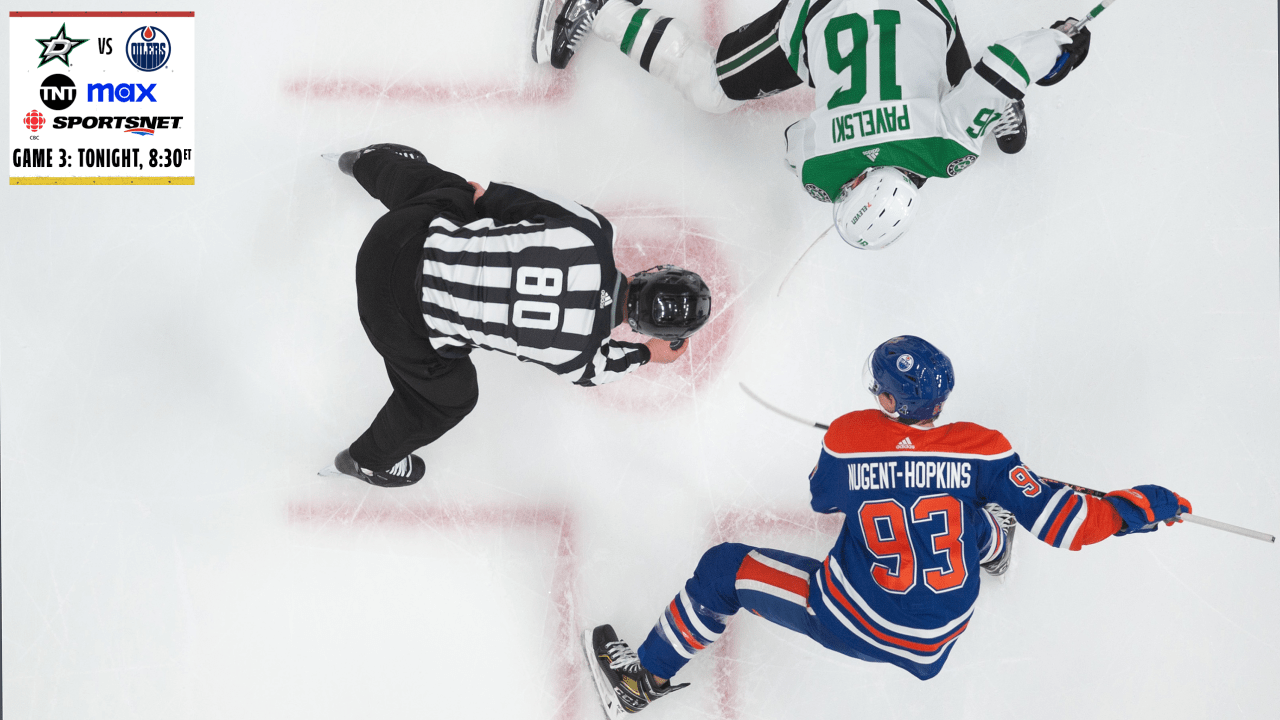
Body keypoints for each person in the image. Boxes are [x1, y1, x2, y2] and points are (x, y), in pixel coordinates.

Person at [582, 335, 1192, 716]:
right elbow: (1066, 522)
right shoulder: (983, 448)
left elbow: (824, 499)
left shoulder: (849, 437)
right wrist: (1139, 507)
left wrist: (864, 451)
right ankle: (995, 545)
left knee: (724, 568)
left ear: (889, 401)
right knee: (966, 510)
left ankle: (643, 682)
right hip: (943, 635)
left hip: (855, 617)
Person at [534, 0, 1091, 250]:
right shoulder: (819, 167)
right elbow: (794, 142)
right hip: (819, 13)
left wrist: (1065, 43)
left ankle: (1000, 105)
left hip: (919, 7)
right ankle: (603, 8)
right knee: (709, 87)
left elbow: (1010, 60)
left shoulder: (951, 146)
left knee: (975, 95)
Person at [324, 144, 712, 487]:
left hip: (396, 235)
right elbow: (599, 371)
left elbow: (491, 197)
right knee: (450, 399)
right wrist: (648, 354)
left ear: (652, 272)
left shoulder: (593, 233)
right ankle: (366, 461)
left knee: (457, 195)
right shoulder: (582, 357)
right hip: (391, 321)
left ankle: (367, 162)